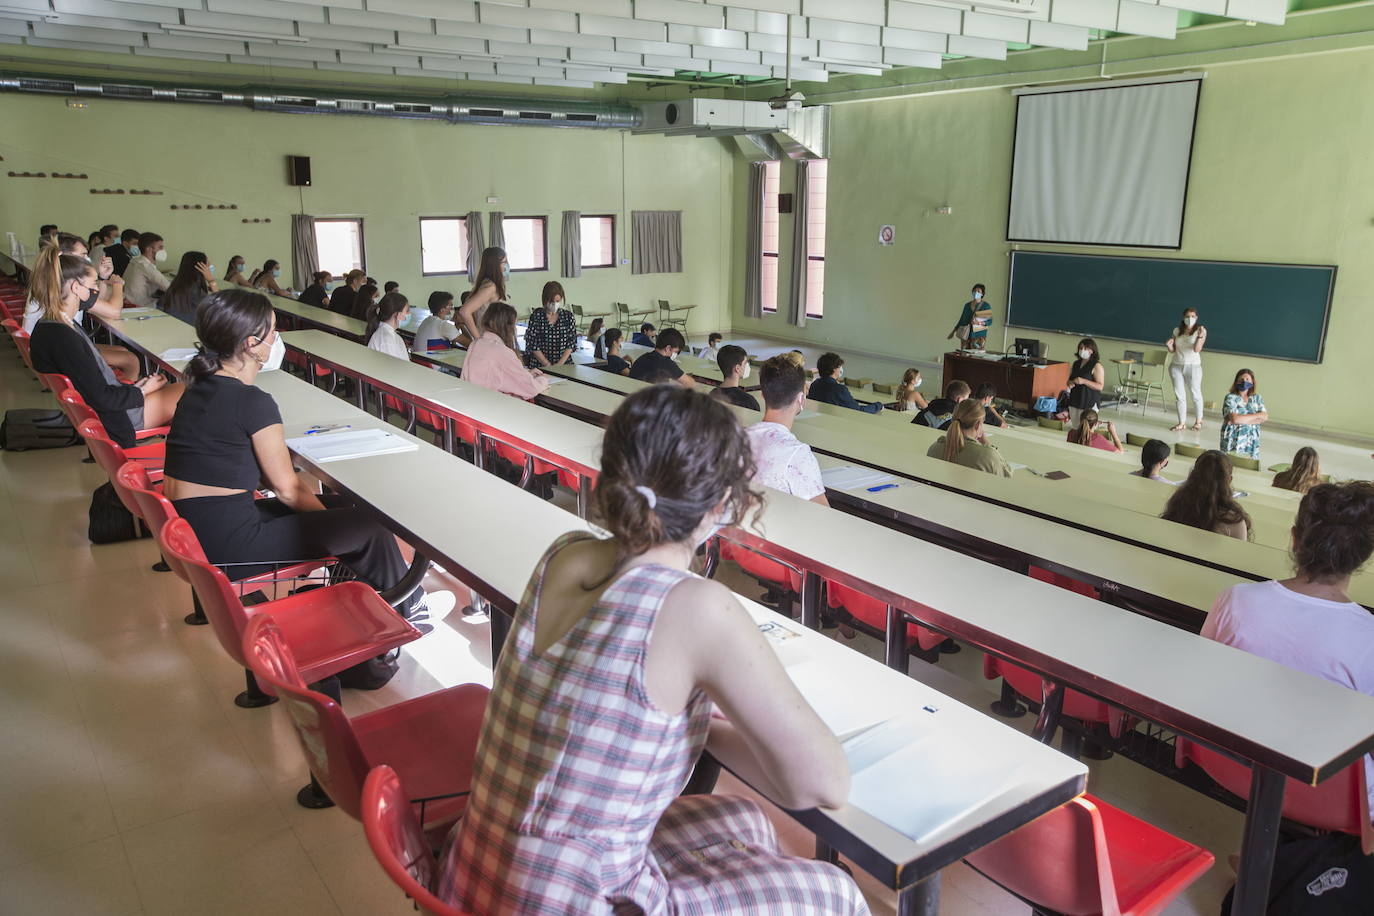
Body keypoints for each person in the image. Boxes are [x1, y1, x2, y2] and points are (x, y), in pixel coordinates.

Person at [438, 384, 865, 914]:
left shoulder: (565, 554)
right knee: (837, 893)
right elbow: (824, 786)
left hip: (480, 870)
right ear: (722, 505)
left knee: (746, 819)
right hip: (572, 903)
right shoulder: (698, 609)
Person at [163, 288, 423, 627]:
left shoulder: (197, 386)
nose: (277, 337)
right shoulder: (252, 401)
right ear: (251, 343)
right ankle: (406, 612)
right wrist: (336, 534)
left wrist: (334, 522)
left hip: (201, 530)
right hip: (229, 545)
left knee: (345, 511)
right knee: (366, 527)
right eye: (272, 331)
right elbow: (286, 491)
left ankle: (382, 602)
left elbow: (235, 462)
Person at [1202, 481, 1374, 811]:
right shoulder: (1367, 638)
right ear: (1363, 556)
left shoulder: (1235, 600)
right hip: (1328, 796)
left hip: (1227, 760)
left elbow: (1203, 674)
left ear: (1294, 539)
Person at [28, 248, 183, 448]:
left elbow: (94, 387)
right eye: (93, 284)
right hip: (116, 418)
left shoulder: (53, 326)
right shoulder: (64, 337)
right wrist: (142, 391)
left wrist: (138, 387)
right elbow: (102, 398)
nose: (95, 291)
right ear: (76, 287)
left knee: (184, 390)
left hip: (107, 409)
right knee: (192, 392)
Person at [21, 233, 138, 379]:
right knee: (131, 360)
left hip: (46, 347)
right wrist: (118, 284)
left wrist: (101, 278)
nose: (87, 260)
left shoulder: (53, 280)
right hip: (58, 350)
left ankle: (123, 390)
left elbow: (94, 300)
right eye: (83, 255)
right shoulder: (68, 286)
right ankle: (127, 396)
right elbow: (113, 311)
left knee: (121, 350)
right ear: (65, 257)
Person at [746, 355, 828, 506]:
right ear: (801, 399)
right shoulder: (797, 454)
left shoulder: (739, 438)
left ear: (763, 394)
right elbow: (822, 515)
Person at [463, 301, 551, 400]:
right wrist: (543, 380)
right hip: (494, 407)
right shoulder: (502, 352)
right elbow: (531, 389)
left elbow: (501, 376)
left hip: (472, 402)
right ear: (508, 326)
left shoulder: (476, 344)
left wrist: (526, 375)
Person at [1161, 449, 1251, 541]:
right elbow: (1240, 554)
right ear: (1229, 480)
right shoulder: (1234, 521)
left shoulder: (1177, 507)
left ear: (1192, 475)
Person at [927, 399, 1013, 478]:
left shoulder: (934, 448)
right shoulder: (987, 455)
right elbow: (1007, 476)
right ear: (978, 425)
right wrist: (988, 444)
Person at [1166, 307, 1206, 431]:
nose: (1190, 319)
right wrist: (1169, 346)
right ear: (1183, 318)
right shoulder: (1177, 330)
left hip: (1193, 366)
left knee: (1195, 394)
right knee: (1179, 395)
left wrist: (1199, 337)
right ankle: (1181, 423)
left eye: (1193, 316)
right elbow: (1173, 350)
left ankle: (1198, 421)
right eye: (1187, 316)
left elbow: (1196, 349)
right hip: (1176, 365)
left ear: (1196, 318)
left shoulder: (1201, 330)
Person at [456, 247, 508, 343]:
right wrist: (478, 339)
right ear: (495, 265)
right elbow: (464, 311)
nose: (506, 266)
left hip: (496, 338)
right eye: (503, 262)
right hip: (490, 340)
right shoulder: (490, 287)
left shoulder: (489, 283)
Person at [524, 281, 577, 369]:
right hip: (540, 366)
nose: (554, 304)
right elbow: (532, 343)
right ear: (545, 300)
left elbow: (571, 342)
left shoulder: (568, 316)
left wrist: (559, 364)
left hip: (564, 365)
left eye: (557, 301)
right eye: (551, 301)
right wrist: (547, 364)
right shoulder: (536, 316)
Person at [808, 353, 882, 414]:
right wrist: (878, 406)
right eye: (840, 366)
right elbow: (858, 411)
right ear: (834, 369)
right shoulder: (840, 389)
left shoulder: (814, 384)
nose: (841, 369)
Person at [1220, 368, 1267, 461]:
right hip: (1232, 439)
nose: (1244, 382)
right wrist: (1256, 416)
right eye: (1241, 380)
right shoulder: (1230, 397)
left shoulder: (1257, 398)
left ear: (1252, 382)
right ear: (1236, 382)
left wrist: (1241, 419)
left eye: (1247, 379)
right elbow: (1234, 419)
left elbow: (1265, 416)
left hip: (1252, 440)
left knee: (1249, 463)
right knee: (1228, 463)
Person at [162, 251, 218, 324]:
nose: (210, 265)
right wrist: (211, 280)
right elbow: (221, 309)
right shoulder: (197, 292)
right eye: (208, 263)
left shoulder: (176, 286)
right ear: (202, 268)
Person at [628, 328, 695, 388]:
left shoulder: (643, 358)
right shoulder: (667, 363)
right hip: (651, 399)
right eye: (676, 352)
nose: (675, 355)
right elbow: (690, 384)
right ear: (668, 348)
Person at [122, 232, 170, 307]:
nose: (163, 250)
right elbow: (168, 287)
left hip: (129, 302)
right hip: (140, 307)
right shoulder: (145, 266)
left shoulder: (135, 261)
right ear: (148, 249)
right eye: (160, 247)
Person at [1065, 337, 1105, 426]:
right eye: (1081, 348)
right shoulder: (1076, 364)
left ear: (1092, 351)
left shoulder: (1096, 365)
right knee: (1075, 427)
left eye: (1086, 348)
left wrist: (1084, 381)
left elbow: (1100, 386)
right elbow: (1070, 380)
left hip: (1089, 402)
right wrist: (1070, 383)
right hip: (1075, 401)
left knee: (1086, 429)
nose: (1082, 350)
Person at [711, 345, 760, 411]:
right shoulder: (749, 401)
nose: (747, 366)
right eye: (745, 363)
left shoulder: (712, 394)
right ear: (737, 368)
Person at [365, 292, 410, 360]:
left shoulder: (388, 334)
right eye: (407, 311)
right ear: (396, 314)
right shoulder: (386, 339)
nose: (409, 314)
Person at [947, 283, 992, 350]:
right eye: (974, 291)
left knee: (976, 358)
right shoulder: (967, 306)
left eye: (978, 291)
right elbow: (962, 320)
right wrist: (953, 331)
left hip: (979, 336)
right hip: (965, 335)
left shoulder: (985, 306)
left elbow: (989, 321)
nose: (976, 293)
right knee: (964, 356)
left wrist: (979, 323)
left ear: (982, 294)